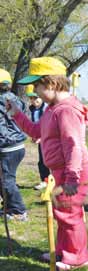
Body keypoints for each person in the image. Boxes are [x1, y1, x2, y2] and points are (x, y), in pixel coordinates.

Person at [7, 57, 88, 271]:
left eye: (37, 85)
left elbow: (73, 146)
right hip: (61, 171)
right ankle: (64, 250)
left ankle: (78, 256)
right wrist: (17, 115)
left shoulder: (65, 110)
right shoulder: (52, 109)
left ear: (51, 83)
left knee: (69, 213)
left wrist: (72, 178)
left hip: (73, 171)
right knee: (61, 212)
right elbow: (37, 132)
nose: (34, 90)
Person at [0, 68, 28, 222]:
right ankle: (9, 206)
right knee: (4, 179)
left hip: (8, 147)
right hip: (17, 146)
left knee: (7, 180)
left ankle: (19, 211)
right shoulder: (16, 99)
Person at [26, 84, 50, 190]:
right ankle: (45, 180)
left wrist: (42, 137)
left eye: (36, 98)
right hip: (40, 139)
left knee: (49, 160)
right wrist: (34, 135)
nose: (33, 100)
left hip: (49, 139)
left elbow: (49, 126)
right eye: (31, 98)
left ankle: (53, 180)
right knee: (42, 160)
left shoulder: (46, 109)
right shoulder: (33, 109)